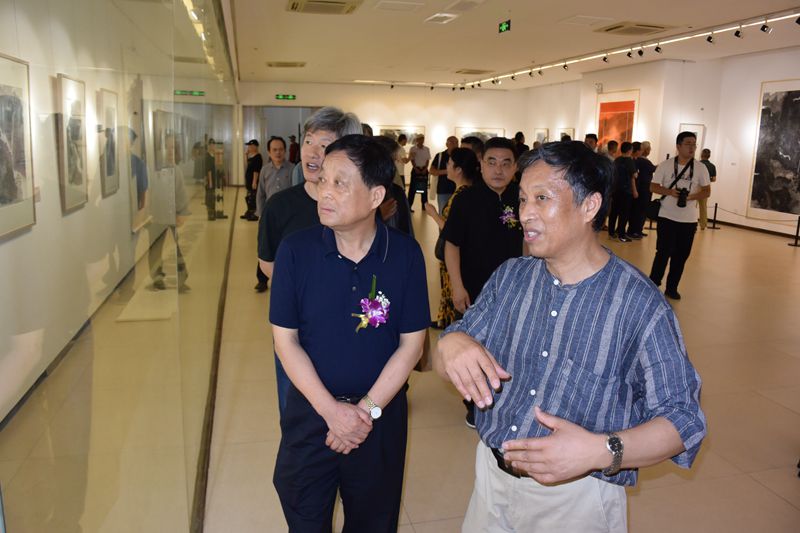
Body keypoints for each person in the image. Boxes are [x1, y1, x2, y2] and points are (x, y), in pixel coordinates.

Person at [436, 140, 706, 532]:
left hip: (577, 499)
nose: (525, 213)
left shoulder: (638, 304)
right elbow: (450, 354)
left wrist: (601, 450)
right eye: (522, 198)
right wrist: (451, 343)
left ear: (589, 206)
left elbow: (683, 420)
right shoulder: (511, 277)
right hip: (491, 480)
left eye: (542, 198)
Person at [270, 134, 429, 532]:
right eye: (323, 179)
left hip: (379, 417)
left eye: (340, 183)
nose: (325, 191)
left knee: (373, 521)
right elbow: (285, 341)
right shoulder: (296, 251)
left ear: (376, 196)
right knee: (305, 518)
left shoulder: (405, 255)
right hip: (311, 414)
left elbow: (412, 346)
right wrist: (332, 413)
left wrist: (365, 413)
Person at [258, 106, 362, 414]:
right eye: (308, 141)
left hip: (350, 330)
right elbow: (267, 263)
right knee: (296, 414)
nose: (311, 152)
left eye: (324, 144)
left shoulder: (359, 207)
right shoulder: (280, 206)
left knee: (351, 413)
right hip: (296, 331)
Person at [442, 136, 523, 427]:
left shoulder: (521, 198)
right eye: (492, 162)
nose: (498, 170)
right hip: (474, 286)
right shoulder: (467, 199)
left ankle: (506, 396)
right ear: (481, 164)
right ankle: (475, 403)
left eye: (505, 163)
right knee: (474, 344)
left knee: (510, 343)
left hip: (514, 288)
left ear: (515, 167)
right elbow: (451, 245)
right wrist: (457, 286)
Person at [649, 132, 710, 300]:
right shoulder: (666, 165)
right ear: (678, 146)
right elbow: (653, 187)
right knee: (662, 252)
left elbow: (707, 191)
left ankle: (672, 287)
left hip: (689, 220)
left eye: (694, 144)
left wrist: (690, 197)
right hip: (667, 216)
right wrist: (670, 192)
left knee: (681, 255)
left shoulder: (701, 168)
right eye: (688, 144)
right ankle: (653, 284)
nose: (692, 147)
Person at [424, 147, 480, 329]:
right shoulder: (465, 192)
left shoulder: (461, 195)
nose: (446, 167)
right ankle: (445, 319)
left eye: (449, 164)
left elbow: (452, 230)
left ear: (458, 170)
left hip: (457, 253)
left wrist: (433, 214)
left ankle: (452, 323)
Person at [253, 137, 294, 292]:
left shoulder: (293, 169)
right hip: (269, 217)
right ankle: (262, 280)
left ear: (285, 151)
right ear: (269, 152)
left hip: (288, 216)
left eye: (281, 149)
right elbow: (260, 194)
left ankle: (286, 279)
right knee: (266, 247)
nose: (278, 153)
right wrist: (260, 214)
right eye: (274, 150)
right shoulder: (265, 170)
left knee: (286, 248)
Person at [607, 141, 638, 242]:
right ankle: (621, 234)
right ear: (630, 150)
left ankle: (611, 232)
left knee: (614, 212)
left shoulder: (617, 160)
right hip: (626, 191)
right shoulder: (629, 161)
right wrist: (635, 190)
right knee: (624, 213)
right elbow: (634, 176)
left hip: (616, 189)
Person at [430, 135, 458, 212]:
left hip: (458, 189)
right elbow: (432, 171)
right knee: (443, 212)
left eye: (456, 142)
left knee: (457, 213)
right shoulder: (440, 156)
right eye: (452, 143)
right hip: (443, 190)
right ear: (447, 144)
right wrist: (448, 171)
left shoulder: (460, 156)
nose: (455, 145)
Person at [407, 134, 431, 211]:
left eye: (422, 139)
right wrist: (415, 168)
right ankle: (409, 206)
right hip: (415, 169)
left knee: (424, 189)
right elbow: (412, 160)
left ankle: (424, 206)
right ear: (417, 140)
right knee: (412, 189)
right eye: (420, 139)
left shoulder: (426, 149)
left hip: (424, 169)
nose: (421, 140)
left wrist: (425, 168)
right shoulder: (413, 149)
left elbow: (427, 160)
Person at [240, 139, 262, 221]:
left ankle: (254, 214)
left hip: (253, 180)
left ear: (255, 147)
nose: (248, 147)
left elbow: (256, 170)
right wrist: (246, 155)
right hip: (249, 179)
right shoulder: (252, 157)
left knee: (253, 197)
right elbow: (247, 165)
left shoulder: (258, 157)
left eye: (250, 146)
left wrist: (254, 181)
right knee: (249, 196)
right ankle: (249, 212)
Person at [698, 148, 717, 230]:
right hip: (706, 187)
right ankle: (703, 225)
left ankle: (689, 222)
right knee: (703, 207)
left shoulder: (697, 164)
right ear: (709, 156)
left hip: (696, 186)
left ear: (701, 155)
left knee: (691, 205)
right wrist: (707, 179)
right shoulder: (712, 166)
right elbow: (714, 179)